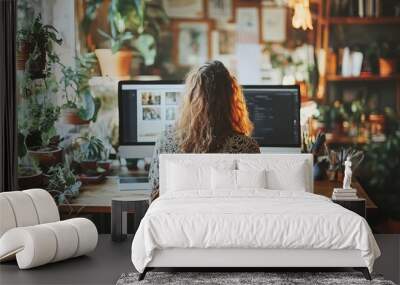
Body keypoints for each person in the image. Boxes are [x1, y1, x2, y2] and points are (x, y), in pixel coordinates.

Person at [149, 60, 260, 201]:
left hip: (179, 221)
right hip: (226, 221)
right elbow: (253, 201)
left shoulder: (165, 142)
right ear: (232, 98)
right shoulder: (247, 147)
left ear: (190, 98)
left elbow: (154, 199)